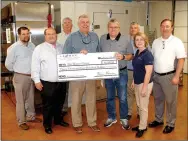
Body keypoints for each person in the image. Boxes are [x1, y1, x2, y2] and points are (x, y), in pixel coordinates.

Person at [63, 14, 100, 134]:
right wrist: (78, 55)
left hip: (91, 74)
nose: (85, 24)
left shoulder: (95, 36)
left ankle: (92, 122)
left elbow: (99, 54)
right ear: (78, 24)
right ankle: (77, 123)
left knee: (91, 99)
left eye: (87, 22)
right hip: (77, 75)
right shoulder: (71, 38)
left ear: (89, 24)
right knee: (76, 99)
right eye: (82, 22)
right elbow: (65, 56)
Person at [148, 19, 186, 134]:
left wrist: (177, 76)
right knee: (158, 100)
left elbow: (181, 59)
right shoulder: (155, 42)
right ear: (160, 27)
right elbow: (153, 59)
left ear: (172, 28)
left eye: (167, 26)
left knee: (171, 101)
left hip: (169, 77)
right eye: (163, 26)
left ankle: (170, 123)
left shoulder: (177, 42)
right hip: (156, 76)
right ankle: (158, 120)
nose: (165, 28)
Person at [31, 28, 69, 134]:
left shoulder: (62, 47)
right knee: (48, 105)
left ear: (56, 35)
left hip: (61, 81)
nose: (51, 36)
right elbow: (34, 66)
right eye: (49, 34)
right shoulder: (39, 48)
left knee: (59, 103)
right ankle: (47, 125)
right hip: (47, 83)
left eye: (53, 34)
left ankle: (58, 120)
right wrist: (36, 81)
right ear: (45, 36)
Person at [99, 19, 133, 130]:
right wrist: (101, 75)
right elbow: (98, 55)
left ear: (119, 28)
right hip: (108, 73)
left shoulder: (126, 40)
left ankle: (123, 118)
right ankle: (112, 117)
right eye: (111, 27)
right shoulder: (102, 39)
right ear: (108, 28)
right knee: (110, 97)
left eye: (115, 27)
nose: (113, 29)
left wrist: (123, 57)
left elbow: (131, 55)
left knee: (123, 97)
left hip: (121, 72)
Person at [5, 26, 41, 130]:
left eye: (27, 33)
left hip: (31, 76)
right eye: (23, 34)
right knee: (21, 100)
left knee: (30, 98)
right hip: (20, 77)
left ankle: (30, 116)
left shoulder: (32, 45)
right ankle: (21, 121)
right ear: (19, 35)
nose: (26, 36)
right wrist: (18, 71)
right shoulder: (14, 47)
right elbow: (8, 64)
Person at [131, 32, 154, 138]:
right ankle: (142, 124)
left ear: (145, 41)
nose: (139, 41)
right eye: (137, 40)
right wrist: (133, 81)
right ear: (135, 42)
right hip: (137, 82)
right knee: (139, 105)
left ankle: (142, 127)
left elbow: (148, 72)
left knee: (143, 107)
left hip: (144, 84)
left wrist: (144, 88)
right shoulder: (137, 52)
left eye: (141, 39)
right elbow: (136, 69)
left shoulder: (147, 54)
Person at [127, 22, 151, 120]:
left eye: (135, 28)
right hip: (129, 71)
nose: (133, 29)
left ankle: (139, 112)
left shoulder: (144, 43)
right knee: (130, 93)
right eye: (131, 28)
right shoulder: (126, 41)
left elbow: (149, 56)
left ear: (138, 30)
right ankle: (129, 112)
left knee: (141, 94)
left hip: (141, 72)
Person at [57, 17, 73, 116]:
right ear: (62, 25)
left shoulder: (76, 36)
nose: (67, 24)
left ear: (72, 25)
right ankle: (61, 108)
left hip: (73, 66)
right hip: (61, 66)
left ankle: (72, 108)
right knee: (62, 88)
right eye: (65, 23)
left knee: (74, 89)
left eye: (69, 23)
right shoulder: (57, 37)